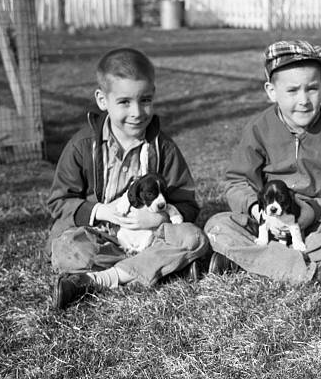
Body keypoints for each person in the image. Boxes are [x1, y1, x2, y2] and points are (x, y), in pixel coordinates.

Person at [47, 47, 209, 309]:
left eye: (145, 100)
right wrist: (100, 211)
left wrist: (159, 217)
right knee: (68, 247)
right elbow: (58, 202)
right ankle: (158, 268)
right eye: (124, 102)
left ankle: (103, 278)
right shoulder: (81, 145)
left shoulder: (163, 148)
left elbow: (188, 203)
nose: (137, 112)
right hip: (102, 235)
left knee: (194, 237)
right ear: (102, 100)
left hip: (150, 235)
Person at [204, 40, 321, 287]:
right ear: (272, 91)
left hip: (314, 227)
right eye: (292, 91)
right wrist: (255, 209)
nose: (303, 100)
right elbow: (237, 182)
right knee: (216, 226)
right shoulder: (258, 129)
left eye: (312, 89)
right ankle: (318, 271)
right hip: (265, 225)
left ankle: (249, 262)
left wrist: (315, 209)